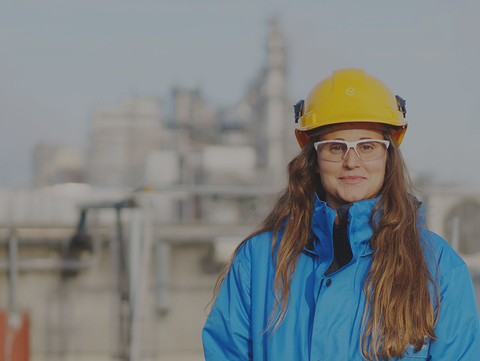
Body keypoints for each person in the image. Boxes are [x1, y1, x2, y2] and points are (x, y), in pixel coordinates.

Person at [202, 68, 480, 360]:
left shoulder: (438, 268)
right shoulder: (258, 261)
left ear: (389, 156)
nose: (351, 162)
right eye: (336, 147)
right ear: (314, 157)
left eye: (367, 146)